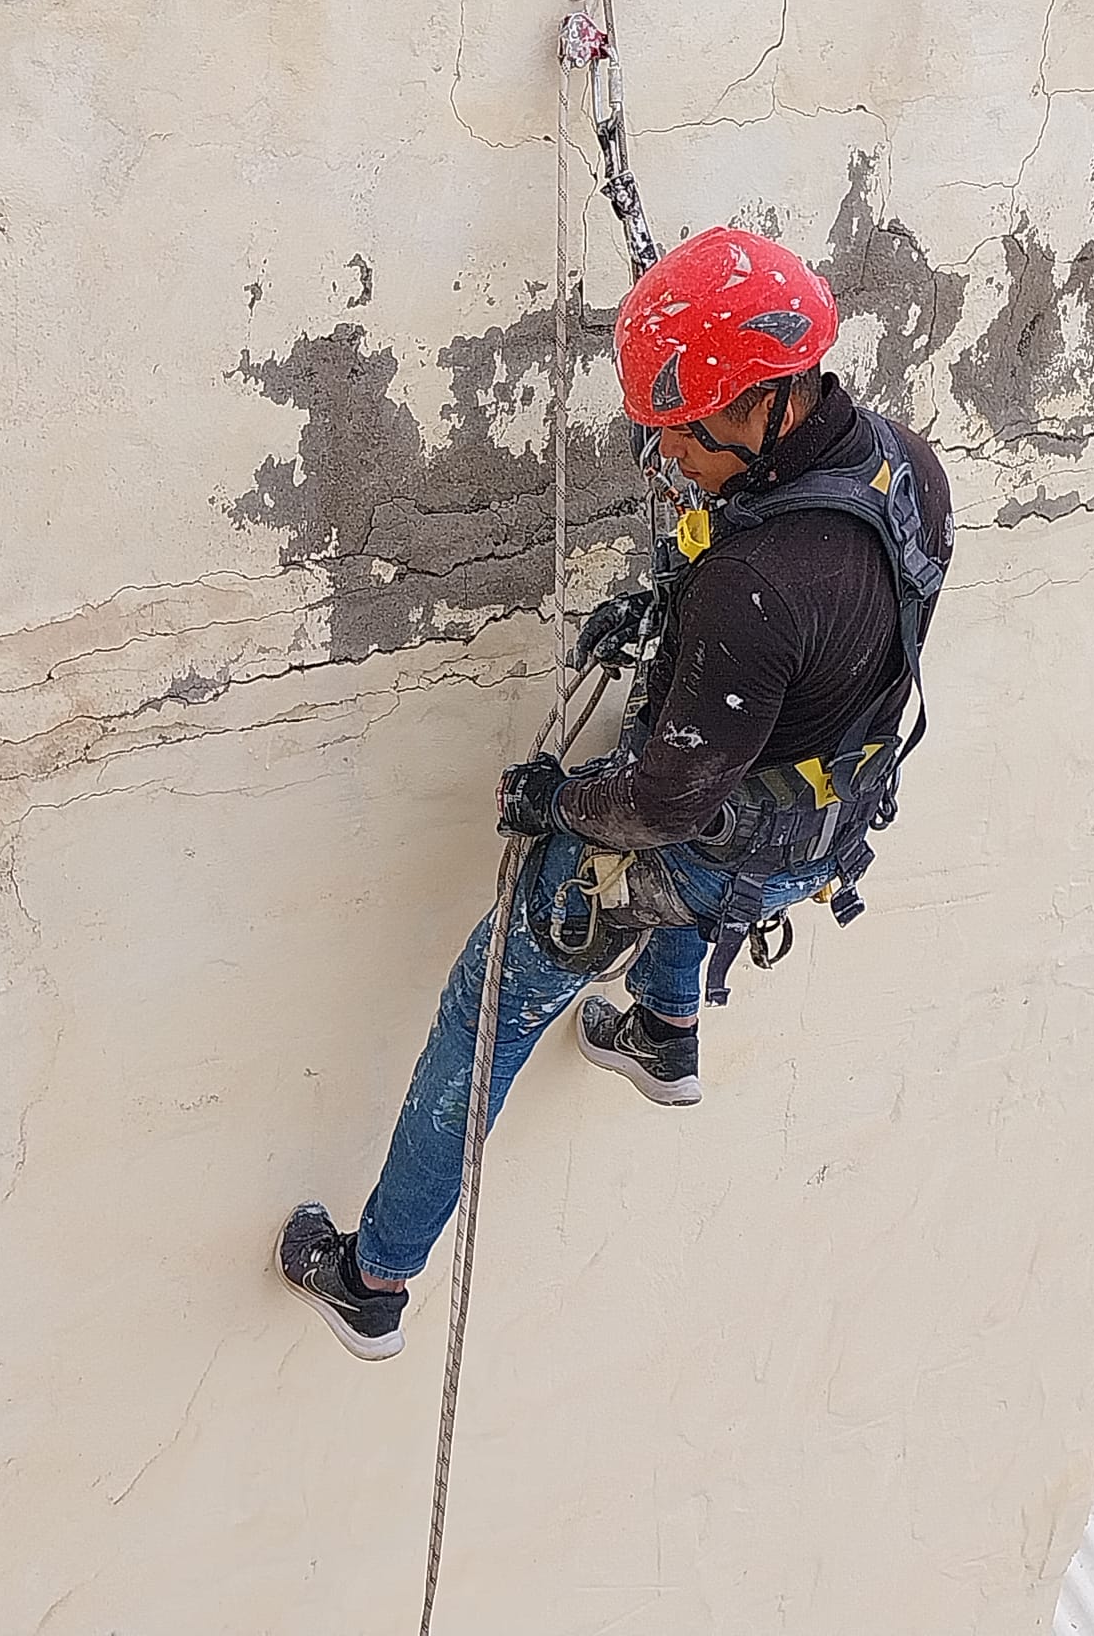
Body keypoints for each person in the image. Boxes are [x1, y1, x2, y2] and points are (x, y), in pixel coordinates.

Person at [277, 227, 953, 1359]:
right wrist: (671, 624)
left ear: (757, 409)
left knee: (485, 1010)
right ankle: (664, 1034)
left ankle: (373, 1278)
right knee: (712, 850)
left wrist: (559, 805)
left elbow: (661, 802)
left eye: (678, 436)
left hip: (710, 833)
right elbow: (806, 656)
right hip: (817, 821)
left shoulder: (757, 587)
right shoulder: (904, 467)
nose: (663, 458)